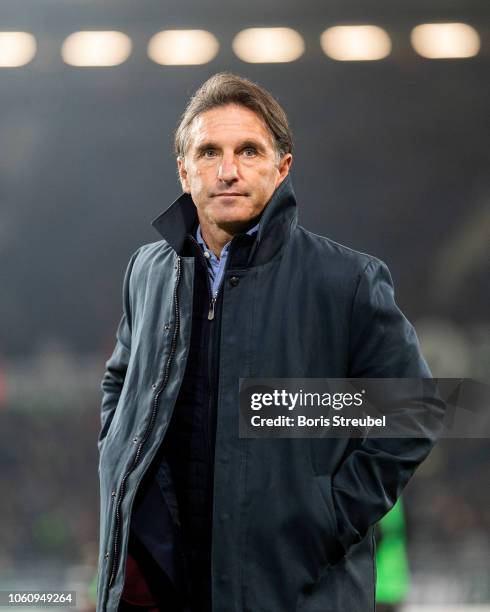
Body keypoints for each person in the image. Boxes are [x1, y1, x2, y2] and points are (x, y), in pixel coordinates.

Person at [96, 72, 442, 612]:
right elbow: (120, 379)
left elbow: (413, 410)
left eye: (248, 151)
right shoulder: (147, 271)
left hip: (291, 587)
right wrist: (114, 461)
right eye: (209, 151)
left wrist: (329, 517)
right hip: (164, 583)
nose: (228, 170)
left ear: (282, 168)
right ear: (184, 170)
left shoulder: (345, 280)